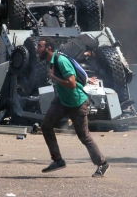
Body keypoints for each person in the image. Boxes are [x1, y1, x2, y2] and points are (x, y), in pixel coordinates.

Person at [36, 36, 109, 178]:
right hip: (62, 100)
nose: (36, 49)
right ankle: (57, 160)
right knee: (46, 126)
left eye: (39, 46)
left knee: (84, 137)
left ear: (48, 48)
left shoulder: (60, 61)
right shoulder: (49, 61)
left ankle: (102, 163)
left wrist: (54, 78)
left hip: (77, 102)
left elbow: (72, 84)